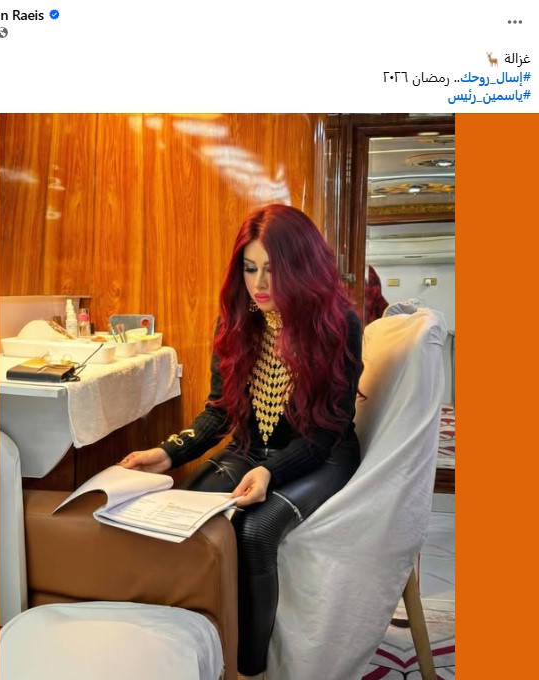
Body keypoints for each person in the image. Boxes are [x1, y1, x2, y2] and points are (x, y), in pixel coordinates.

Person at [119, 204, 363, 679]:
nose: (260, 283)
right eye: (250, 268)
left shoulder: (339, 325)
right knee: (182, 513)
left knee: (254, 532)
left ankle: (249, 670)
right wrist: (167, 453)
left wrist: (272, 471)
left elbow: (328, 430)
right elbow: (220, 412)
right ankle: (188, 649)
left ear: (302, 266)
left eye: (273, 269)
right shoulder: (236, 322)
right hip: (252, 449)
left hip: (322, 455)